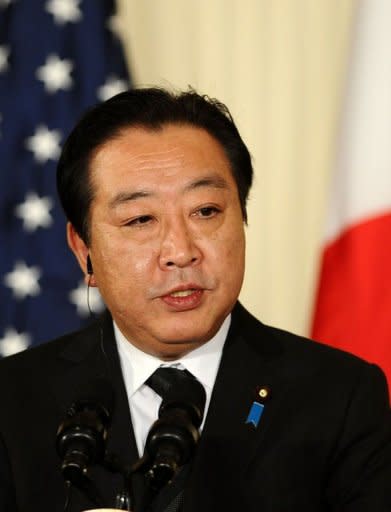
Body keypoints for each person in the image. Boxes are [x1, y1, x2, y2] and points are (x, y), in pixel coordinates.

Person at [0, 88, 390, 512]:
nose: (180, 250)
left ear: (242, 217)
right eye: (140, 219)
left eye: (205, 211)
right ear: (83, 249)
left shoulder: (340, 397)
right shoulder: (13, 402)